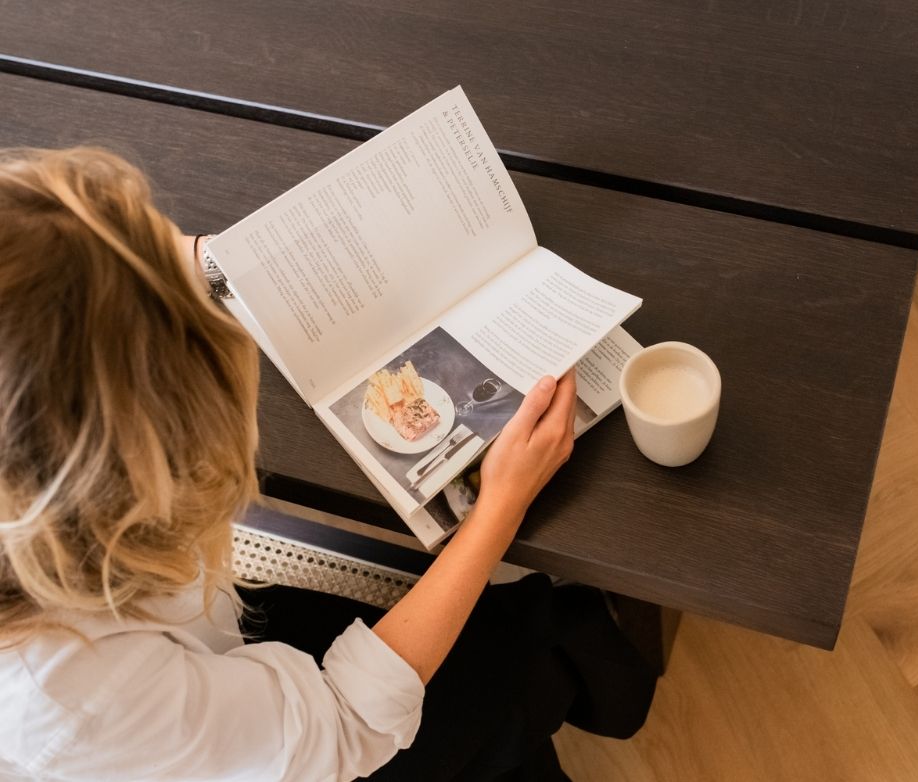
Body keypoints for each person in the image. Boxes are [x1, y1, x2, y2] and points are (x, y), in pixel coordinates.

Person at [0, 147, 655, 781]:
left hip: (202, 646)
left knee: (507, 642)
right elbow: (347, 724)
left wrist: (216, 262)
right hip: (288, 747)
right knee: (506, 664)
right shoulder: (76, 700)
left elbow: (76, 259)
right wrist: (499, 508)